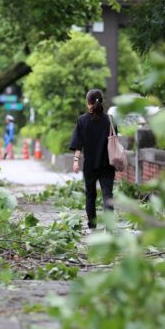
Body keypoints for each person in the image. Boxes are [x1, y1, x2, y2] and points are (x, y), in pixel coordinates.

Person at [69, 89, 118, 230]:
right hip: (108, 164)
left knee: (90, 196)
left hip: (90, 165)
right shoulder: (110, 120)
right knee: (108, 195)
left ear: (88, 103)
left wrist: (76, 161)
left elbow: (78, 143)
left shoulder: (82, 120)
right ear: (101, 102)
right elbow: (114, 140)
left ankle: (92, 227)